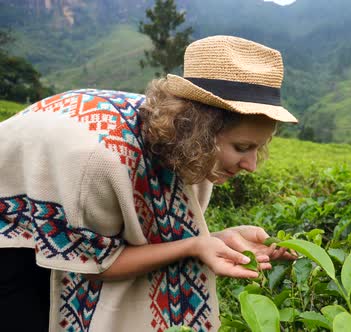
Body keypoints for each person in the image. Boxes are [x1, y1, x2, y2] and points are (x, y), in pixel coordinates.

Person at [0, 35, 298, 331]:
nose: (252, 165)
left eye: (258, 147)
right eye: (242, 148)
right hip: (11, 209)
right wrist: (194, 245)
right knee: (26, 310)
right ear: (200, 131)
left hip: (74, 184)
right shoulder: (101, 160)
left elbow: (160, 243)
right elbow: (98, 265)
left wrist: (215, 239)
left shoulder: (190, 151)